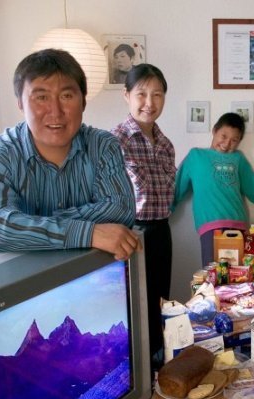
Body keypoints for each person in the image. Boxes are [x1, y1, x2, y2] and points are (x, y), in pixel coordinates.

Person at [0, 48, 140, 261]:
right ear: (20, 103)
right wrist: (88, 233)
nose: (56, 111)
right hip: (27, 278)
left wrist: (31, 223)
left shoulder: (102, 145)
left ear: (83, 102)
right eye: (41, 97)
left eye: (66, 96)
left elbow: (121, 209)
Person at [111, 63, 175, 368]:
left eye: (157, 94)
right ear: (127, 95)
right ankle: (138, 373)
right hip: (132, 233)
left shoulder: (166, 145)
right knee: (135, 306)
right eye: (142, 94)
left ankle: (158, 367)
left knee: (160, 300)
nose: (150, 102)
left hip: (162, 230)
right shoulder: (115, 141)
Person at [174, 112, 254, 267]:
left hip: (238, 226)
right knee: (213, 275)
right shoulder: (196, 156)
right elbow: (177, 188)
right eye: (224, 136)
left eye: (234, 140)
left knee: (240, 275)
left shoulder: (238, 159)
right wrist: (164, 210)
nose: (227, 144)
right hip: (210, 228)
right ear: (215, 130)